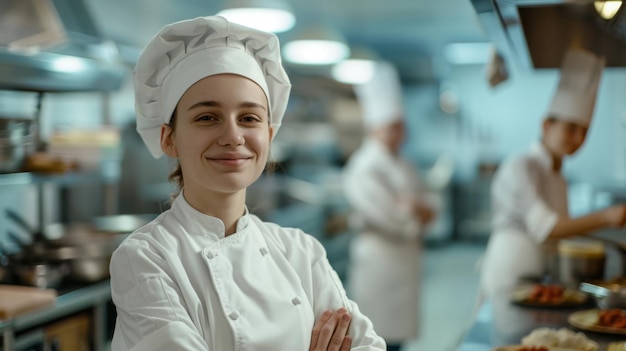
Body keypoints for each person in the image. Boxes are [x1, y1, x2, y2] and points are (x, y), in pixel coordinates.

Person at [108, 16, 386, 351]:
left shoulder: (300, 252)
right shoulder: (146, 258)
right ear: (169, 138)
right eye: (207, 117)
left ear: (268, 136)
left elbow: (367, 345)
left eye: (249, 118)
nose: (232, 136)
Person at [479, 48, 626, 299]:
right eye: (571, 129)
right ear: (547, 125)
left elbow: (562, 229)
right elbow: (546, 228)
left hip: (540, 275)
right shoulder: (522, 165)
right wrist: (608, 216)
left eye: (585, 131)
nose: (578, 139)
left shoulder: (558, 175)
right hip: (511, 270)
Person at [342, 61, 437, 351]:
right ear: (376, 127)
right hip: (380, 263)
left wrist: (415, 208)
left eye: (401, 126)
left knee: (398, 341)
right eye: (394, 126)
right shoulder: (364, 166)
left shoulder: (403, 163)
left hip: (405, 263)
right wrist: (414, 211)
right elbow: (391, 218)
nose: (401, 133)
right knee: (376, 340)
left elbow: (431, 205)